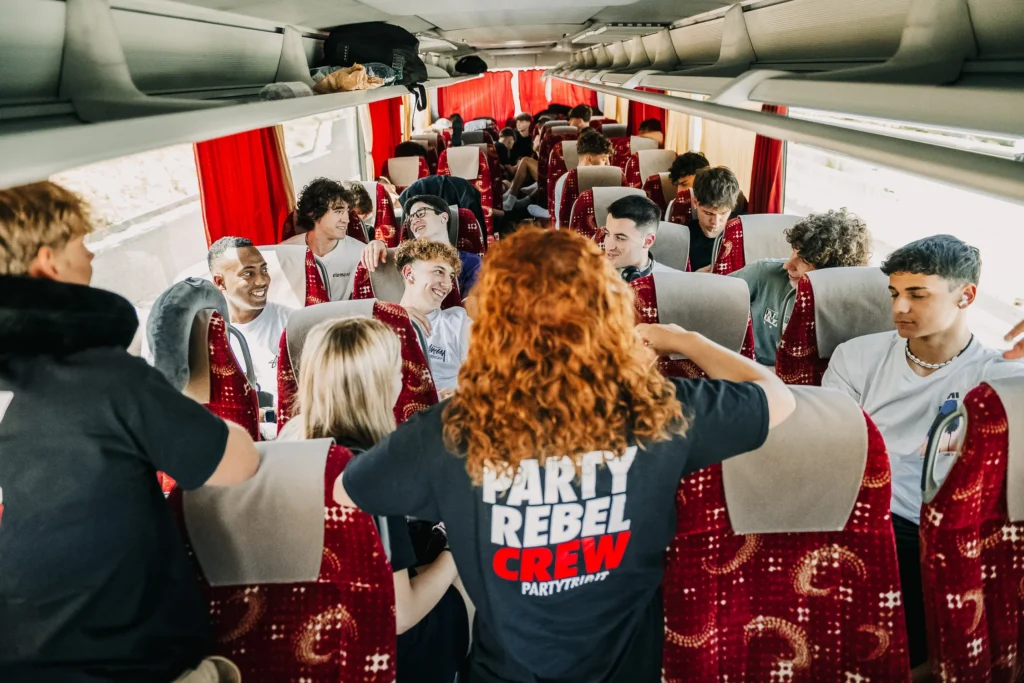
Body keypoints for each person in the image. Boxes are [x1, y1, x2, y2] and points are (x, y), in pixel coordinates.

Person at [335, 227, 796, 683]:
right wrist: (685, 340)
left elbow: (347, 490)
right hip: (625, 669)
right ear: (607, 315)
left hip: (505, 671)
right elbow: (778, 397)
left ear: (494, 324)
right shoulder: (659, 408)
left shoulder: (449, 428)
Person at [0, 182, 259, 682]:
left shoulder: (16, 389)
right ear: (49, 263)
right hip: (130, 660)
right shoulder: (108, 377)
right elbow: (237, 464)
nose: (91, 254)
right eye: (81, 241)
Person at [822, 234, 1024, 670]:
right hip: (863, 509)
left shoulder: (998, 377)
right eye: (894, 293)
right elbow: (834, 451)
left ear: (966, 296)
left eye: (917, 295)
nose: (899, 307)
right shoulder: (856, 357)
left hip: (939, 525)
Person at [278, 317, 470, 683]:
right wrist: (456, 548)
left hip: (313, 628)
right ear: (380, 385)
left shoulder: (290, 440)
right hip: (380, 649)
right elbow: (401, 615)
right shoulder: (374, 476)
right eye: (397, 369)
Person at [732, 209, 872, 366]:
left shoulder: (850, 309)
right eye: (793, 252)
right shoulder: (762, 274)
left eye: (804, 260)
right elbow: (713, 297)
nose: (787, 265)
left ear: (831, 272)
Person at [208, 237, 293, 405]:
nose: (262, 281)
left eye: (264, 269)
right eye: (248, 273)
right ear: (220, 282)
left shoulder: (291, 324)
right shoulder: (208, 337)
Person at [361, 194, 482, 298]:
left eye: (421, 213)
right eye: (411, 218)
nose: (414, 221)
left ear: (444, 217)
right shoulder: (408, 260)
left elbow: (474, 308)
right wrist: (378, 245)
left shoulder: (472, 263)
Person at [396, 240, 472, 395]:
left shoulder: (457, 323)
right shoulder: (381, 322)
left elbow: (494, 375)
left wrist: (461, 392)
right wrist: (395, 315)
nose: (448, 285)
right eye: (439, 272)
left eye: (451, 276)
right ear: (409, 274)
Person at [281, 178, 363, 301]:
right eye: (338, 211)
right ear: (313, 214)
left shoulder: (361, 253)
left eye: (347, 212)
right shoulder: (285, 252)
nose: (346, 220)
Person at [604, 195, 680, 279]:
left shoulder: (676, 281)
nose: (608, 246)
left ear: (648, 241)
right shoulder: (594, 277)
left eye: (620, 238)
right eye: (607, 233)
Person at [685, 166, 741, 272]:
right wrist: (693, 276)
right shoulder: (683, 238)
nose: (715, 222)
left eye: (723, 213)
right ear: (695, 203)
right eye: (708, 213)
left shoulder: (742, 235)